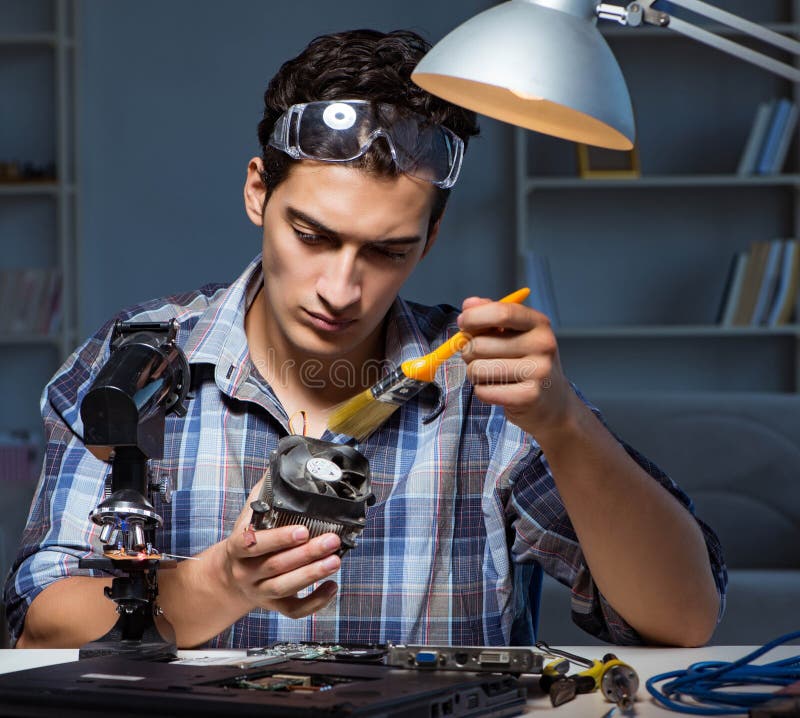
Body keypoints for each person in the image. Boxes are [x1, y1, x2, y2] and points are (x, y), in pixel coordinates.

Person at [6, 29, 725, 650]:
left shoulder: (482, 387)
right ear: (259, 191)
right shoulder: (136, 363)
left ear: (430, 239)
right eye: (312, 236)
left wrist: (565, 426)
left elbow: (684, 621)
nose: (340, 290)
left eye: (386, 251)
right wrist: (220, 582)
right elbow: (36, 629)